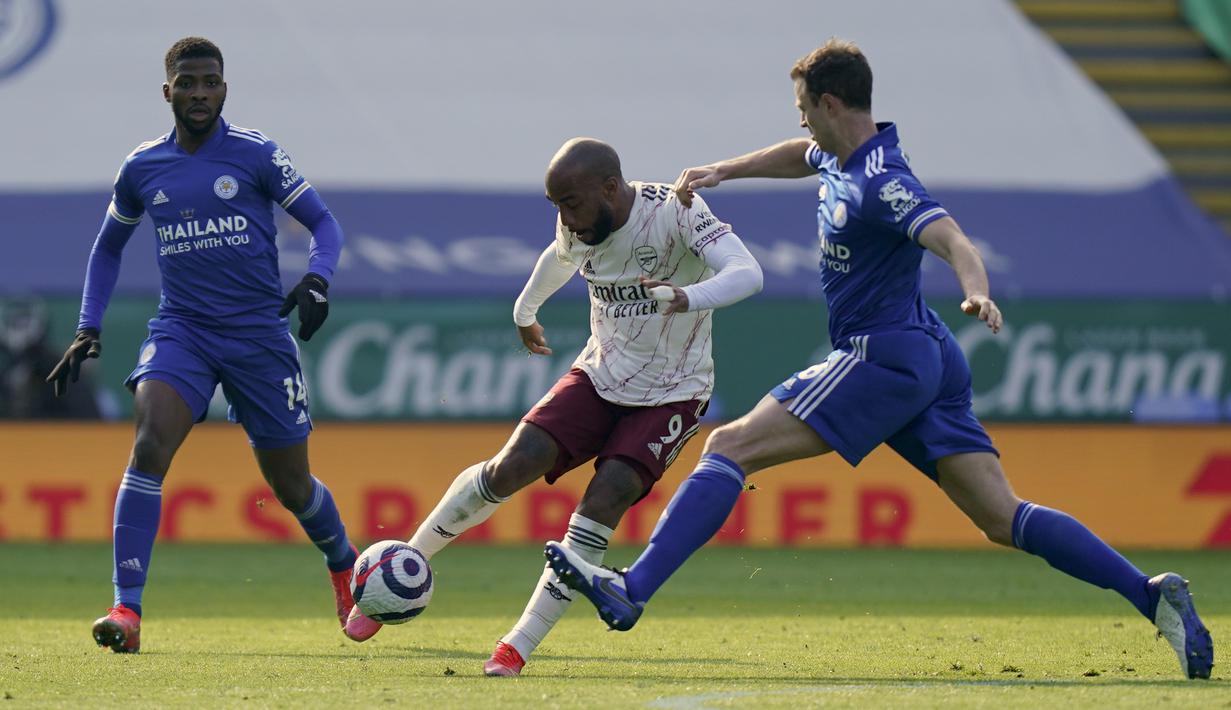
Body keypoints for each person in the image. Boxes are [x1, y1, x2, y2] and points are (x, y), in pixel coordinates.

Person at [546, 38, 1214, 680]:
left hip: (881, 354)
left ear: (831, 103)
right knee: (998, 517)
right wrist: (729, 170)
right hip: (925, 355)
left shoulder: (881, 180)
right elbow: (798, 155)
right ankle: (1149, 594)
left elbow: (950, 237)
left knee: (729, 446)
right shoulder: (838, 154)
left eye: (804, 106)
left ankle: (633, 588)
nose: (800, 119)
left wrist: (976, 292)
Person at [345, 137, 764, 676]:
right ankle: (407, 564)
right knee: (510, 465)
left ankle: (515, 646)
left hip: (673, 392)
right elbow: (560, 256)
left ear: (610, 188)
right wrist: (526, 309)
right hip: (598, 373)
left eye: (571, 203)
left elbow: (748, 274)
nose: (565, 217)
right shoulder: (579, 221)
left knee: (605, 496)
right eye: (558, 207)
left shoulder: (677, 212)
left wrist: (688, 296)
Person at [46, 36, 378, 653]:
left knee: (292, 487)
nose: (200, 94)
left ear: (224, 89)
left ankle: (342, 564)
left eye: (211, 83)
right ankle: (127, 610)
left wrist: (317, 279)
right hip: (183, 333)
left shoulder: (256, 154)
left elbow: (324, 224)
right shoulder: (143, 167)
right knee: (149, 445)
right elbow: (108, 248)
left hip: (258, 336)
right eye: (188, 83)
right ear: (167, 90)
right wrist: (88, 325)